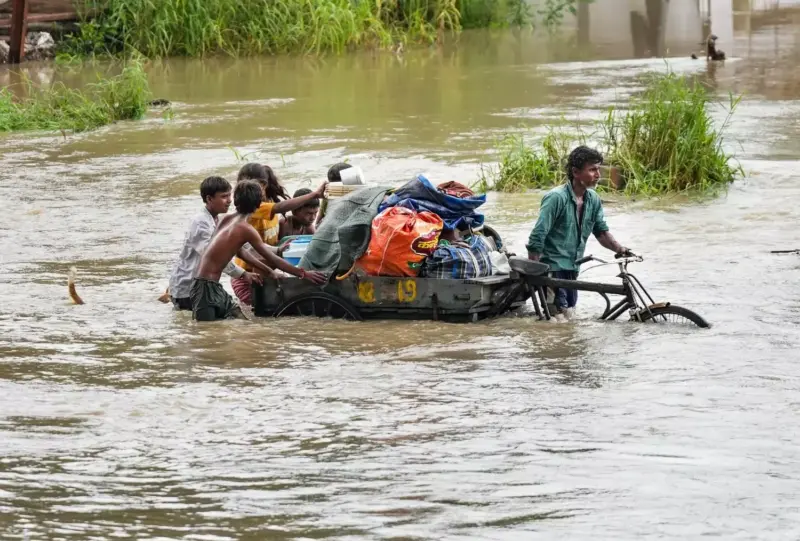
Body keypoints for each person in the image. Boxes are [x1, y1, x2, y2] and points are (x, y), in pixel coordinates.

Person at [191, 181, 327, 321]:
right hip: (205, 288)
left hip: (211, 285)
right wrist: (303, 273)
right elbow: (273, 259)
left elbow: (240, 252)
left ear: (236, 201)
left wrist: (268, 271)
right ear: (258, 205)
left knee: (240, 324)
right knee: (205, 335)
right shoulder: (246, 229)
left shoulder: (226, 219)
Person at [526, 146, 632, 320]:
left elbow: (601, 232)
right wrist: (537, 275)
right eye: (592, 170)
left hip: (573, 267)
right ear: (575, 172)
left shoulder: (593, 199)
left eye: (598, 169)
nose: (598, 174)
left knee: (568, 317)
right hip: (552, 269)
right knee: (555, 321)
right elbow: (537, 236)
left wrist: (621, 249)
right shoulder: (556, 198)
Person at [230, 163, 327, 306]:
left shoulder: (269, 202)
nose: (261, 190)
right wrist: (314, 194)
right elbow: (281, 207)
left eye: (263, 185)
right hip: (249, 273)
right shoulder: (254, 206)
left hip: (266, 266)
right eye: (257, 186)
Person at [167, 176, 269, 311]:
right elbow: (215, 257)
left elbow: (243, 247)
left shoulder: (219, 220)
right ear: (209, 199)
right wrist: (243, 274)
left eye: (230, 195)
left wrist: (277, 250)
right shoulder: (200, 223)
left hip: (201, 288)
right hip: (188, 289)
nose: (229, 201)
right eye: (224, 196)